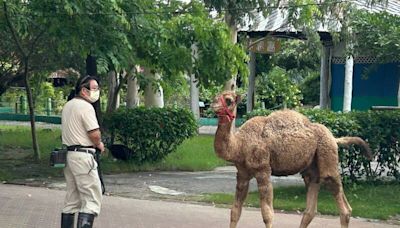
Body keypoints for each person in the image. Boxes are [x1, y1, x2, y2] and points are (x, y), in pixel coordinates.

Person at [61, 75, 105, 228]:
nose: (97, 92)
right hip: (84, 156)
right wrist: (99, 143)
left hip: (69, 156)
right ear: (84, 91)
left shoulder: (68, 105)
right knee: (91, 199)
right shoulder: (86, 107)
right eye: (94, 89)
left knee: (71, 200)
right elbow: (94, 133)